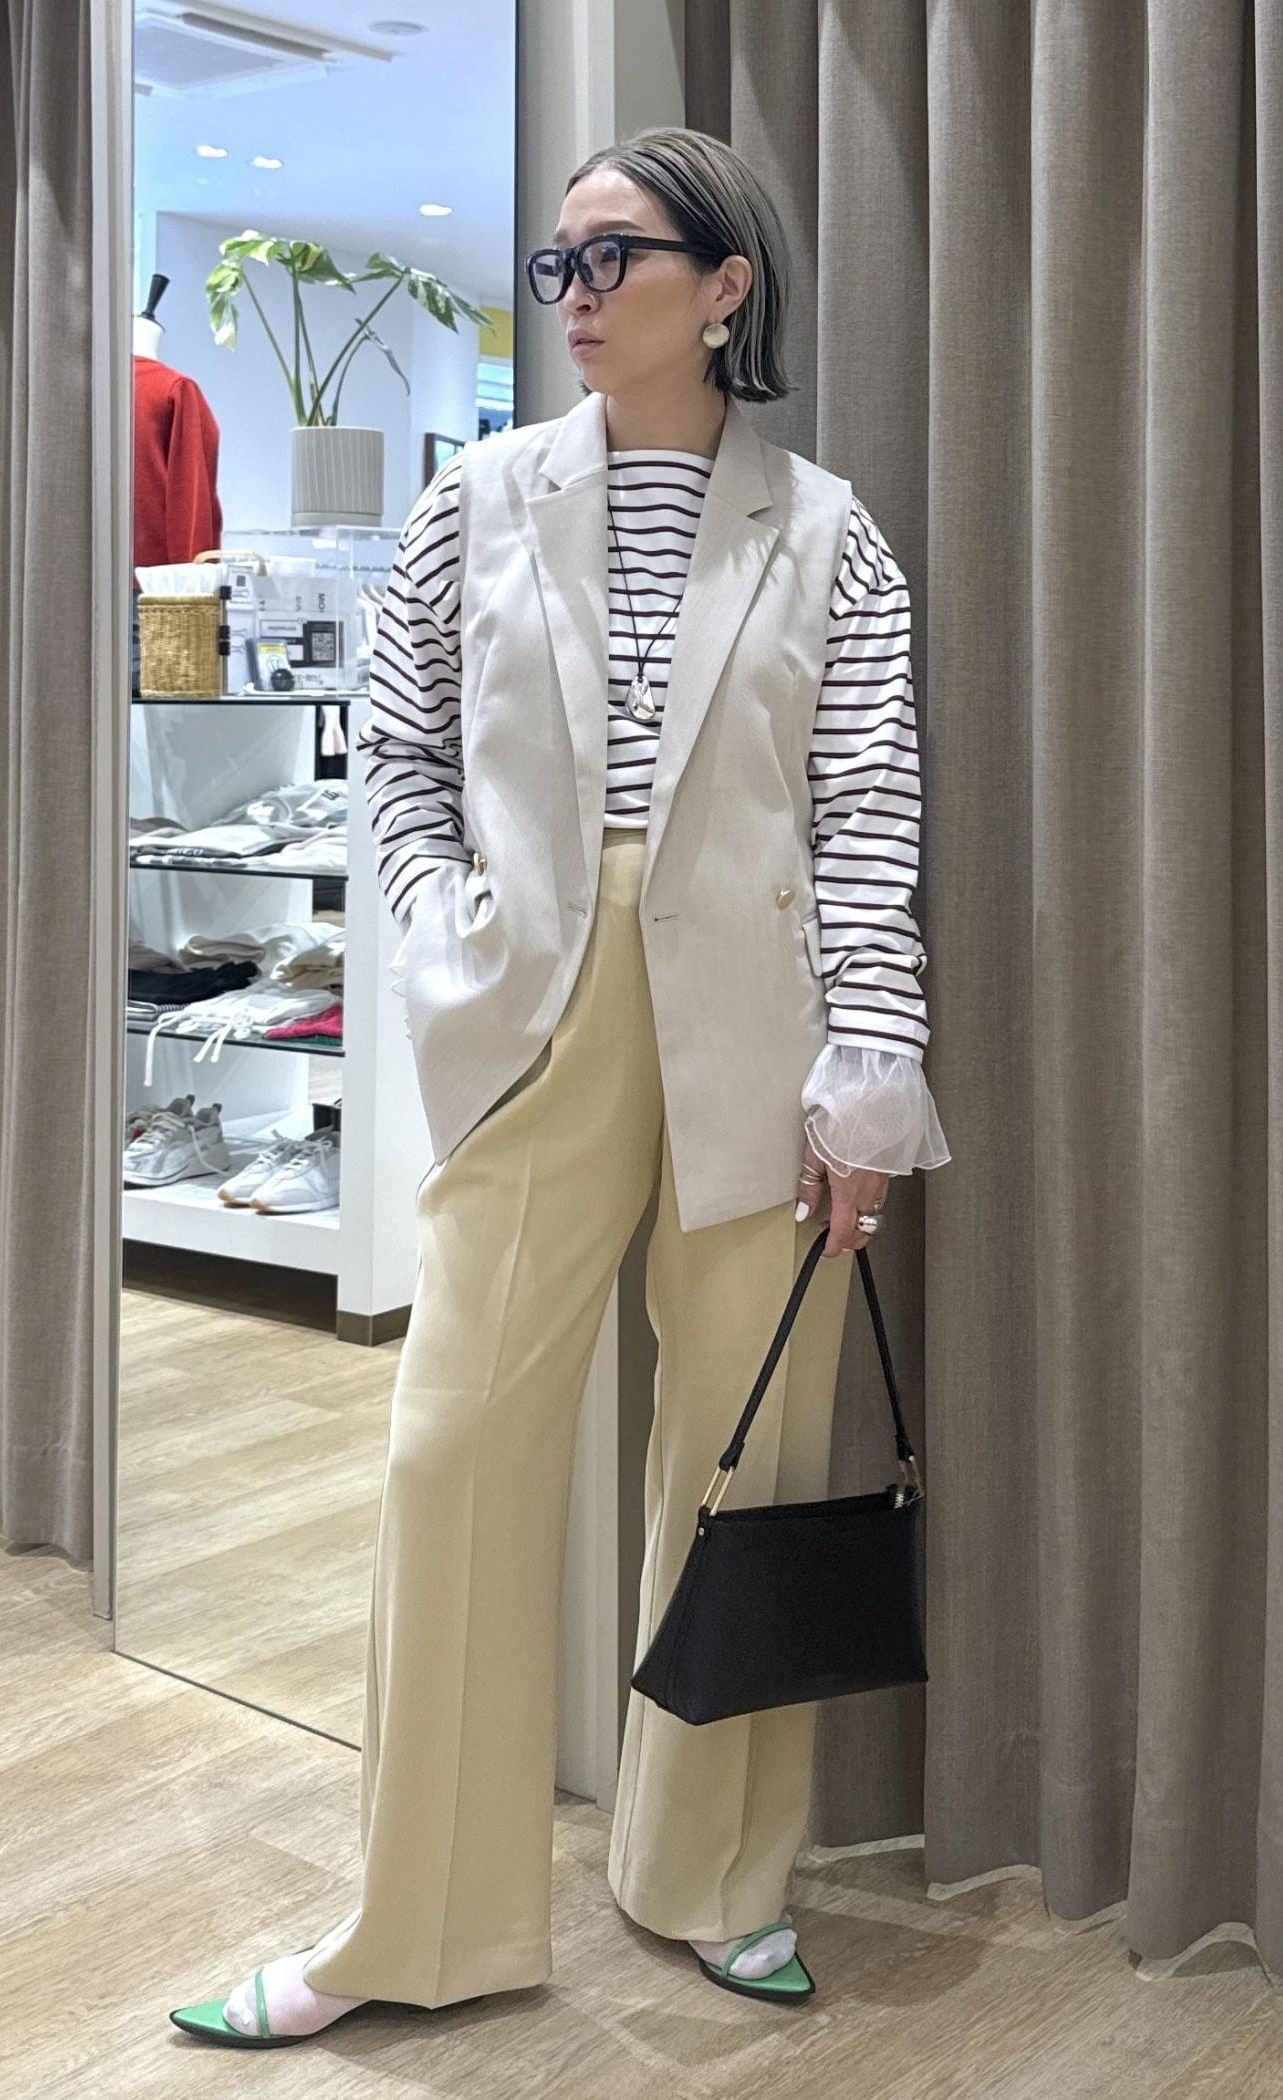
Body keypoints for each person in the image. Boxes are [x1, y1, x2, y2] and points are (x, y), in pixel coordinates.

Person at [170, 123, 949, 2049]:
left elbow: (865, 813)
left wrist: (871, 1067)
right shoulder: (478, 499)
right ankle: (412, 1923)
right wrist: (438, 929)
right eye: (562, 263)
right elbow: (399, 747)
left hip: (763, 1024)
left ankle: (714, 1877)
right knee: (452, 1458)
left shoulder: (828, 530)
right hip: (530, 1002)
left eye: (619, 258)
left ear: (726, 286)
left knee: (742, 1454)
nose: (580, 294)